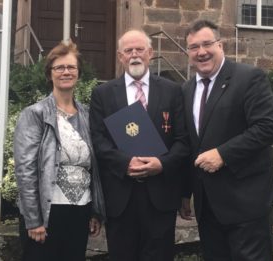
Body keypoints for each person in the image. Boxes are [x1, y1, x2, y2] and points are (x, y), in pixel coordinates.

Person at [179, 20, 273, 261]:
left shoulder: (249, 78)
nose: (201, 52)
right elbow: (190, 143)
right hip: (208, 207)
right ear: (188, 53)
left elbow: (268, 127)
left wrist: (223, 154)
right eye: (194, 47)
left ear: (220, 45)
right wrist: (185, 193)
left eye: (207, 44)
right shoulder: (185, 90)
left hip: (247, 203)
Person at [89, 29, 189, 261]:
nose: (134, 55)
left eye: (140, 49)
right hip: (120, 195)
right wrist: (125, 162)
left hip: (160, 194)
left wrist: (161, 164)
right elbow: (97, 139)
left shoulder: (172, 90)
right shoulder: (102, 93)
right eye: (128, 50)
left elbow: (183, 141)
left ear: (151, 53)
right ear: (120, 56)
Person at [13, 40, 106, 261]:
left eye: (71, 67)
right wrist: (34, 219)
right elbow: (25, 171)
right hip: (47, 212)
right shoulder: (34, 114)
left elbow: (94, 169)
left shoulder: (88, 115)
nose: (66, 72)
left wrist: (95, 211)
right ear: (50, 74)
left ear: (78, 73)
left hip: (80, 210)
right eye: (59, 67)